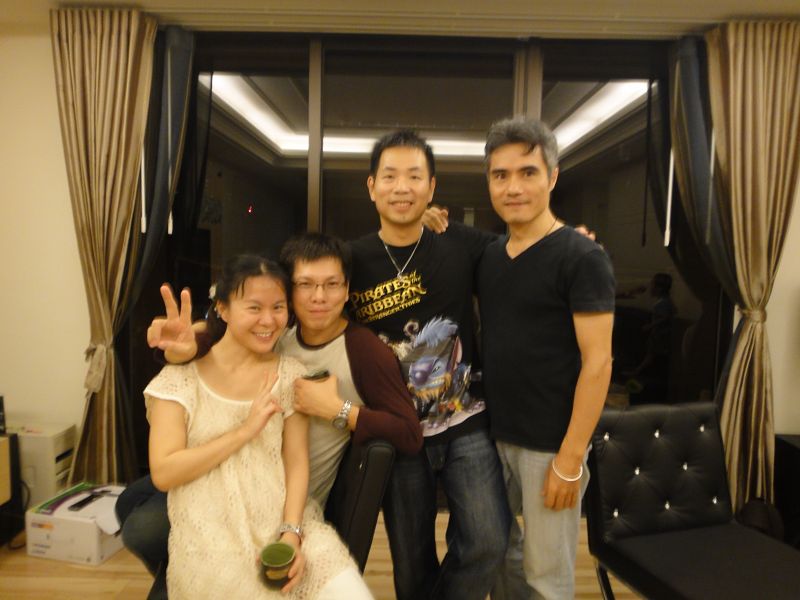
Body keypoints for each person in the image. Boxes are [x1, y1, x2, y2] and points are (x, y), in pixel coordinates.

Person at [118, 234, 421, 599]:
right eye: (305, 285)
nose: (319, 297)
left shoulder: (359, 351)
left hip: (279, 495)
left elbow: (408, 433)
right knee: (130, 508)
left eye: (331, 285)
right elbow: (226, 336)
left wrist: (338, 410)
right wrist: (186, 346)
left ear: (347, 290)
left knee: (142, 525)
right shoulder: (281, 332)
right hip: (211, 483)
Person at [347, 130, 511, 600]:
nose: (402, 187)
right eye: (390, 176)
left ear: (432, 187)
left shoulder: (460, 243)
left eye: (414, 176)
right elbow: (284, 298)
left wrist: (567, 243)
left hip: (465, 422)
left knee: (487, 541)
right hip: (398, 432)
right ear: (372, 187)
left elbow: (523, 251)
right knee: (411, 564)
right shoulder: (351, 259)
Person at [476, 117, 615, 599]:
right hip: (492, 436)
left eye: (528, 173)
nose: (513, 187)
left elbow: (599, 364)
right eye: (501, 175)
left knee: (547, 577)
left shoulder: (582, 257)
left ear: (552, 177)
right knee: (496, 554)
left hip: (551, 446)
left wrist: (570, 459)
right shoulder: (491, 256)